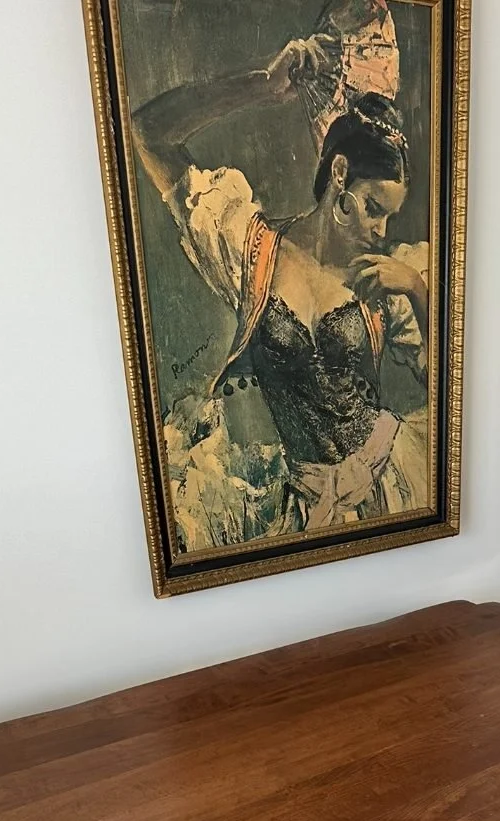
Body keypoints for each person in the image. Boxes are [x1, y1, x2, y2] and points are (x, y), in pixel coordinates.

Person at [132, 15, 429, 536]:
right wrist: (262, 84)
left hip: (395, 475)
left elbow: (451, 388)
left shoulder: (385, 277)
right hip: (307, 504)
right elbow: (148, 133)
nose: (381, 230)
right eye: (373, 207)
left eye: (390, 216)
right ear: (339, 175)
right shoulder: (252, 252)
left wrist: (420, 291)